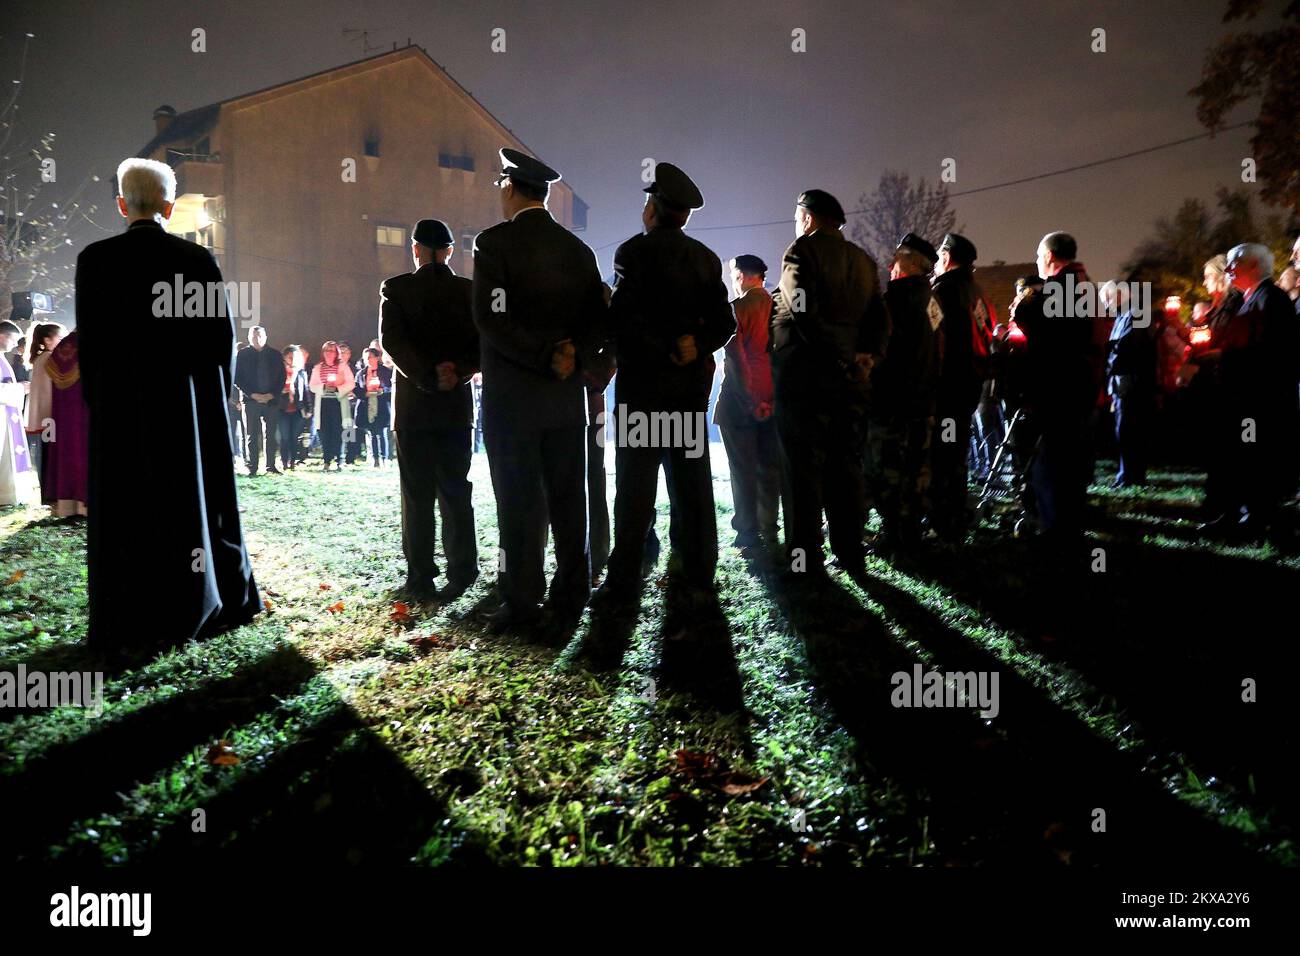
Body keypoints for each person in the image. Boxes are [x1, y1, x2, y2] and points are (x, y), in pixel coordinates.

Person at [77, 157, 259, 651]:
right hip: (185, 411)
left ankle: (130, 611)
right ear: (169, 206)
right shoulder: (196, 261)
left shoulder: (94, 260)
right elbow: (220, 342)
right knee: (191, 502)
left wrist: (99, 400)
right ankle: (200, 600)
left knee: (128, 509)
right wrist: (216, 399)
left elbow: (91, 344)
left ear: (121, 204)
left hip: (121, 411)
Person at [472, 148, 606, 633]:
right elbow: (598, 321)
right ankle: (571, 597)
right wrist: (573, 354)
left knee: (517, 504)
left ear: (510, 187)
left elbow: (491, 318)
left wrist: (540, 354)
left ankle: (521, 599)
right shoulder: (577, 251)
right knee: (570, 502)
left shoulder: (493, 245)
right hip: (564, 400)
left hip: (513, 403)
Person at [594, 162, 734, 617]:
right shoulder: (707, 260)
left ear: (653, 208)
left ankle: (626, 576)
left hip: (644, 393)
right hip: (687, 395)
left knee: (635, 489)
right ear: (684, 216)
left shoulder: (631, 255)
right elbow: (724, 323)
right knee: (691, 487)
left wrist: (662, 346)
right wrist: (694, 346)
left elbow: (624, 323)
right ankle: (697, 570)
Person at [770, 190, 890, 585]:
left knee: (802, 473)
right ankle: (851, 550)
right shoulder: (862, 260)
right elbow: (879, 319)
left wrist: (838, 356)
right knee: (845, 466)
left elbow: (802, 309)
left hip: (807, 382)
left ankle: (806, 559)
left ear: (807, 218)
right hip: (851, 384)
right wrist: (866, 358)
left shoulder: (801, 253)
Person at [381, 218, 481, 599]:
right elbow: (482, 343)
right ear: (451, 252)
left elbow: (392, 342)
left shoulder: (398, 289)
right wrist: (459, 372)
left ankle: (421, 576)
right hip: (455, 406)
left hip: (414, 409)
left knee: (417, 495)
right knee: (456, 488)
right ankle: (463, 568)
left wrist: (426, 375)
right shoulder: (468, 291)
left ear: (416, 249)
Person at [1200, 243, 1300, 541]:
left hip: (1260, 401)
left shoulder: (1270, 299)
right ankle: (1242, 515)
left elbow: (1270, 353)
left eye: (1234, 263)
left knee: (1256, 458)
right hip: (1245, 398)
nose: (1229, 270)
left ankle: (1256, 520)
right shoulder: (1250, 299)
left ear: (1254, 266)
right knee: (1244, 458)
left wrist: (1224, 357)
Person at [1012, 231, 1099, 549]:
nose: (1037, 262)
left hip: (1061, 387)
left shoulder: (1062, 288)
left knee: (1054, 464)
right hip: (1078, 385)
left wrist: (1025, 305)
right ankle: (1067, 527)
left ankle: (1058, 533)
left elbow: (1042, 329)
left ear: (1049, 256)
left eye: (1038, 256)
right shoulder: (1083, 282)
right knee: (1069, 463)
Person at [868, 234, 943, 552]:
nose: (890, 264)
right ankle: (912, 530)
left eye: (897, 257)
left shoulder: (895, 299)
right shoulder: (932, 301)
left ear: (912, 263)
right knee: (916, 469)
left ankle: (895, 534)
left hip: (893, 402)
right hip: (923, 401)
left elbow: (882, 351)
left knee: (887, 470)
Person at [714, 254, 780, 562]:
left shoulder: (737, 310)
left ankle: (746, 532)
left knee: (742, 470)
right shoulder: (781, 308)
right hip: (774, 400)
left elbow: (737, 361)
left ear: (740, 276)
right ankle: (769, 526)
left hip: (740, 405)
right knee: (769, 468)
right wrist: (771, 400)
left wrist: (752, 401)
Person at [929, 232, 992, 542]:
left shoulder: (944, 289)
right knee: (956, 451)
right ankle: (953, 510)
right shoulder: (977, 292)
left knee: (942, 452)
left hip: (948, 384)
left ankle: (943, 517)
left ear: (946, 257)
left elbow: (931, 332)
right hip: (971, 383)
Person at [26, 329, 86, 517]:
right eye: (57, 336)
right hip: (60, 419)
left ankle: (62, 503)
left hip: (57, 418)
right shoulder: (48, 357)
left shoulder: (59, 351)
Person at [1104, 282, 1157, 488]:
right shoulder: (1125, 315)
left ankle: (1131, 476)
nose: (1106, 305)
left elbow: (1124, 349)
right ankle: (1127, 474)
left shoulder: (1137, 313)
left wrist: (1107, 359)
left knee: (1130, 430)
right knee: (1125, 430)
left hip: (1133, 383)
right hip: (1124, 382)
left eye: (1107, 298)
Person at [234, 325, 283, 475]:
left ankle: (271, 466)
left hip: (271, 400)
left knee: (271, 434)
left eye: (260, 336)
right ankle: (253, 467)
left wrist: (272, 394)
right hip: (250, 401)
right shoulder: (242, 355)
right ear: (249, 337)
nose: (257, 339)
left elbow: (282, 377)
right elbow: (237, 378)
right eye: (254, 336)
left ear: (266, 337)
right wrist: (252, 394)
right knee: (251, 434)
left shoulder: (275, 354)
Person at [0, 319, 38, 507]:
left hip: (7, 415)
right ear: (2, 336)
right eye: (13, 340)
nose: (16, 345)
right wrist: (18, 389)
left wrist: (18, 388)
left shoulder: (2, 358)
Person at [22, 322, 66, 480]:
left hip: (43, 417)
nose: (63, 342)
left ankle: (47, 493)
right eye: (60, 338)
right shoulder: (50, 358)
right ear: (47, 340)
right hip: (50, 417)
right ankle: (51, 493)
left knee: (45, 456)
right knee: (50, 456)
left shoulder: (40, 359)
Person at [309, 341, 354, 471]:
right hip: (323, 403)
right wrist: (323, 387)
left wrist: (337, 388)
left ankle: (340, 459)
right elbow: (312, 385)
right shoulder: (318, 367)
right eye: (327, 350)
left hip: (338, 402)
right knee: (324, 431)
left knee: (339, 431)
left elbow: (350, 383)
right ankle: (327, 460)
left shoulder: (343, 366)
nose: (329, 353)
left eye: (332, 351)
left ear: (336, 353)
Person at [355, 347, 393, 467]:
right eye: (366, 357)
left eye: (371, 357)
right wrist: (364, 393)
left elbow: (391, 386)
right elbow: (356, 389)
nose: (368, 360)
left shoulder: (385, 372)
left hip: (381, 405)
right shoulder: (361, 373)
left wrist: (383, 390)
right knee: (371, 433)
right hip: (367, 405)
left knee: (381, 432)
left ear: (377, 358)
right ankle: (375, 458)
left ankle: (384, 457)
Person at [274, 345, 309, 471]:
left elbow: (305, 391)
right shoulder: (279, 371)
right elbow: (273, 388)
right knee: (284, 437)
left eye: (295, 357)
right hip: (282, 408)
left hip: (297, 409)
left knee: (294, 437)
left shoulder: (301, 373)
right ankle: (284, 461)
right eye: (290, 357)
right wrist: (281, 391)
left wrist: (308, 408)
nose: (292, 360)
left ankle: (293, 461)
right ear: (284, 358)